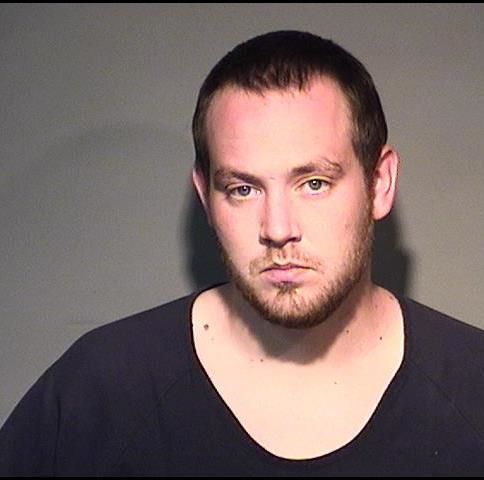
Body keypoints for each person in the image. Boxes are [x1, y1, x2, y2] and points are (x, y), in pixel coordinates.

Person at [1, 30, 483, 477]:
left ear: (380, 184)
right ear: (205, 197)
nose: (278, 229)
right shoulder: (101, 391)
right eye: (243, 189)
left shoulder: (472, 388)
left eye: (314, 183)